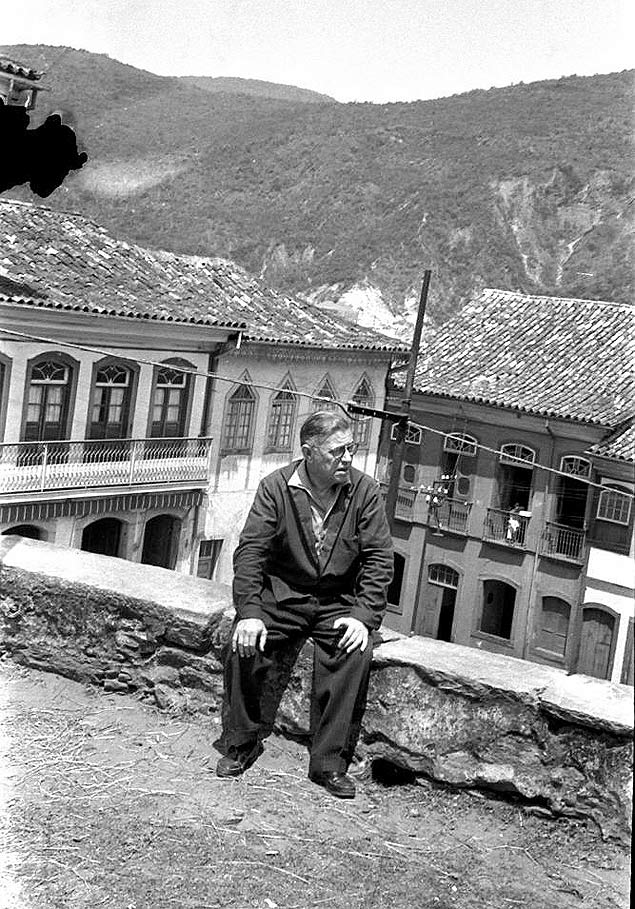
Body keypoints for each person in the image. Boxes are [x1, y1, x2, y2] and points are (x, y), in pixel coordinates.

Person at [216, 410, 394, 798]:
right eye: (338, 451)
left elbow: (380, 557)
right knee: (244, 644)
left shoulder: (364, 491)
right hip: (284, 596)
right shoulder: (275, 488)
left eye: (352, 448)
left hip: (337, 602)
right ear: (309, 452)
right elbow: (251, 553)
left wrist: (364, 616)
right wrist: (249, 612)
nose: (348, 458)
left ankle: (329, 762)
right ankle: (242, 740)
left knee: (354, 654)